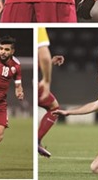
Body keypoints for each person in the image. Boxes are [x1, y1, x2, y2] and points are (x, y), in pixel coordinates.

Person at [37, 27, 64, 158]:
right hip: (32, 83)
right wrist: (46, 80)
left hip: (18, 83)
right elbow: (44, 57)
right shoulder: (39, 30)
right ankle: (37, 140)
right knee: (54, 108)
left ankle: (36, 140)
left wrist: (50, 61)